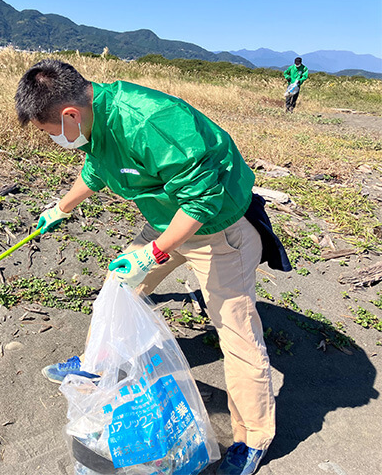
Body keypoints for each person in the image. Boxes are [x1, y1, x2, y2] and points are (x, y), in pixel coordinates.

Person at [15, 59, 291, 475]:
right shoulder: (93, 118)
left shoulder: (151, 121)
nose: (51, 138)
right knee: (119, 284)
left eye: (48, 131)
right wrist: (61, 206)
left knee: (236, 329)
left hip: (218, 228)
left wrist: (153, 253)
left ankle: (252, 439)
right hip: (166, 221)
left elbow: (201, 202)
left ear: (69, 114)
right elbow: (97, 168)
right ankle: (96, 364)